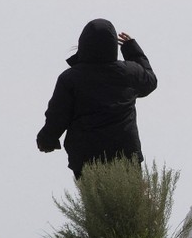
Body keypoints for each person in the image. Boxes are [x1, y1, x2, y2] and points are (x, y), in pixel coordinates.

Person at [36, 18, 157, 179]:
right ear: (113, 45)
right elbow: (150, 81)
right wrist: (131, 49)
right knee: (128, 203)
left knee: (96, 203)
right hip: (126, 156)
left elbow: (58, 115)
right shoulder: (129, 73)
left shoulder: (70, 78)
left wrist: (46, 140)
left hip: (86, 159)